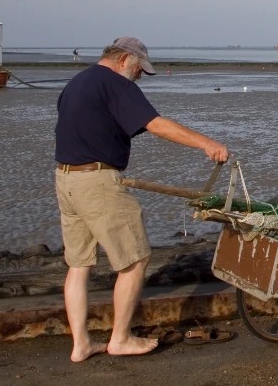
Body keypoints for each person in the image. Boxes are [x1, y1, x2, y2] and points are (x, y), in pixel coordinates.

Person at [54, 37, 229, 362]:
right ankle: (120, 339)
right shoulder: (116, 84)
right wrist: (206, 143)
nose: (138, 76)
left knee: (78, 266)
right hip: (97, 182)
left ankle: (81, 345)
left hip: (66, 178)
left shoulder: (78, 82)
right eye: (137, 69)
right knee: (136, 261)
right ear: (123, 59)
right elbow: (156, 125)